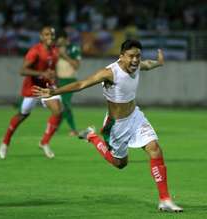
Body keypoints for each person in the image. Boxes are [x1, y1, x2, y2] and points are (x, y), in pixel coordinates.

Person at [33, 39, 183, 212]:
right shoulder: (110, 72)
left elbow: (147, 65)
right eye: (131, 56)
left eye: (138, 56)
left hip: (135, 117)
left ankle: (165, 199)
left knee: (155, 148)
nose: (135, 60)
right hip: (116, 126)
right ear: (121, 57)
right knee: (120, 164)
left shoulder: (136, 65)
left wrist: (159, 63)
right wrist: (54, 91)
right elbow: (81, 84)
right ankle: (92, 137)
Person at [0, 26, 62, 159]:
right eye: (46, 35)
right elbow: (23, 70)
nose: (49, 37)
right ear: (41, 37)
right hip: (32, 87)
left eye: (51, 35)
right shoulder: (35, 51)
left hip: (47, 86)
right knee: (22, 115)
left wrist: (54, 78)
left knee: (58, 110)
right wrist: (41, 73)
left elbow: (52, 69)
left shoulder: (55, 51)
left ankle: (44, 142)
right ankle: (5, 142)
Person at [56, 30, 81, 136]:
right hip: (58, 81)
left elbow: (76, 66)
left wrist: (64, 55)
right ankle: (55, 127)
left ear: (67, 40)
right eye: (58, 42)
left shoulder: (74, 48)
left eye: (62, 42)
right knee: (61, 106)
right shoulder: (54, 50)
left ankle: (73, 129)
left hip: (69, 80)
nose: (59, 44)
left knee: (65, 104)